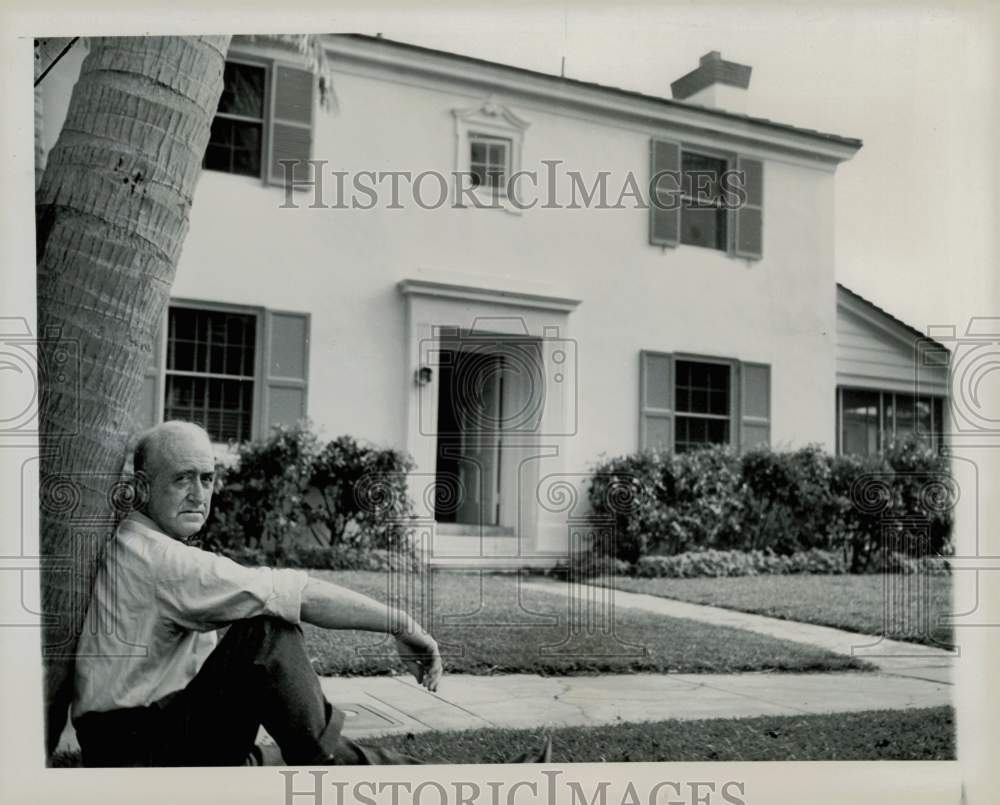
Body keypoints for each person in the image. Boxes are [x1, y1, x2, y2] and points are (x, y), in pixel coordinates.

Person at [71, 421, 548, 767]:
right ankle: (329, 765)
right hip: (138, 749)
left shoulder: (138, 546)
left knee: (286, 753)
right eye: (182, 478)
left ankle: (492, 783)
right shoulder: (158, 558)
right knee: (265, 628)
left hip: (137, 738)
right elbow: (295, 591)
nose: (199, 493)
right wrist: (403, 623)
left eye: (207, 477)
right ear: (140, 488)